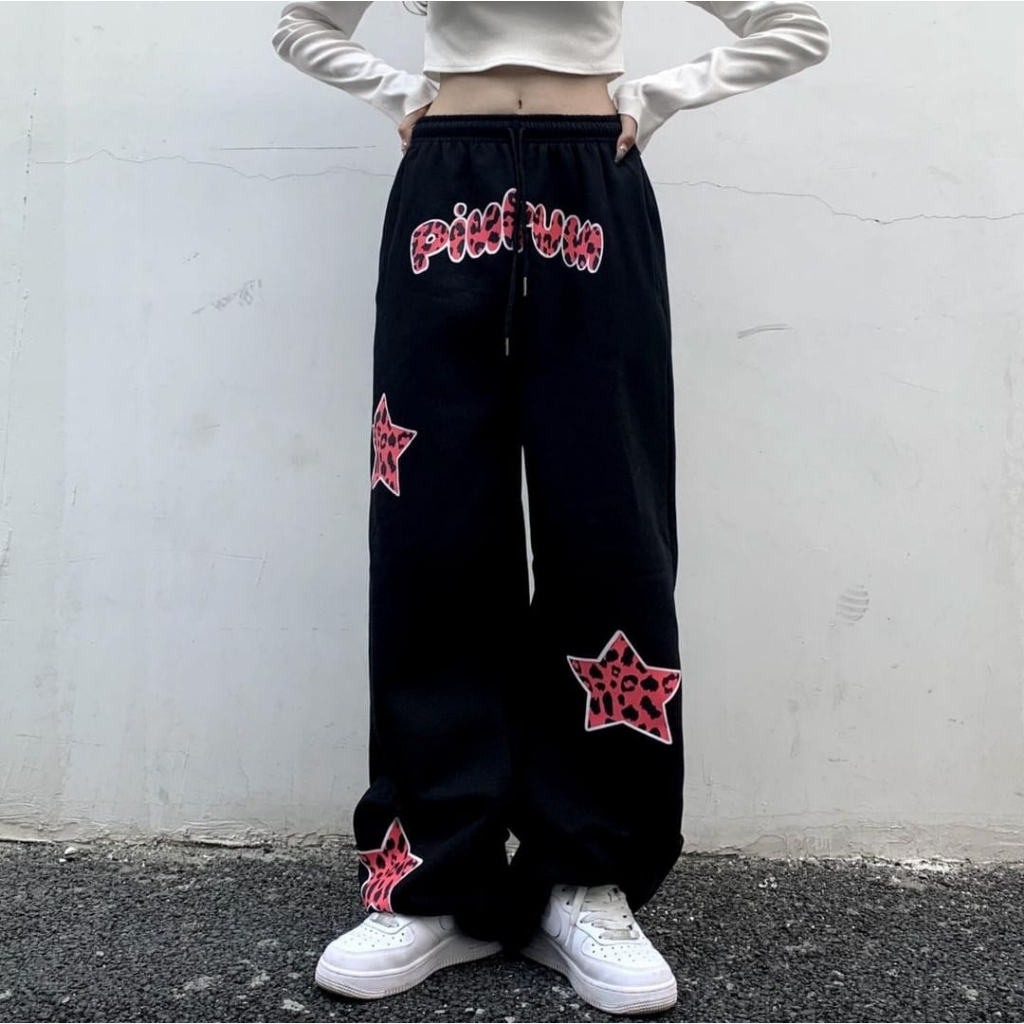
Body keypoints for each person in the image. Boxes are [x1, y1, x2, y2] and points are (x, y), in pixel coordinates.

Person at [271, 0, 830, 1015]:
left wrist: (654, 98)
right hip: (448, 179)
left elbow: (793, 26)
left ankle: (585, 872)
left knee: (608, 524)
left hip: (591, 181)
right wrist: (402, 94)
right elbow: (303, 25)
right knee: (432, 531)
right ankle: (432, 877)